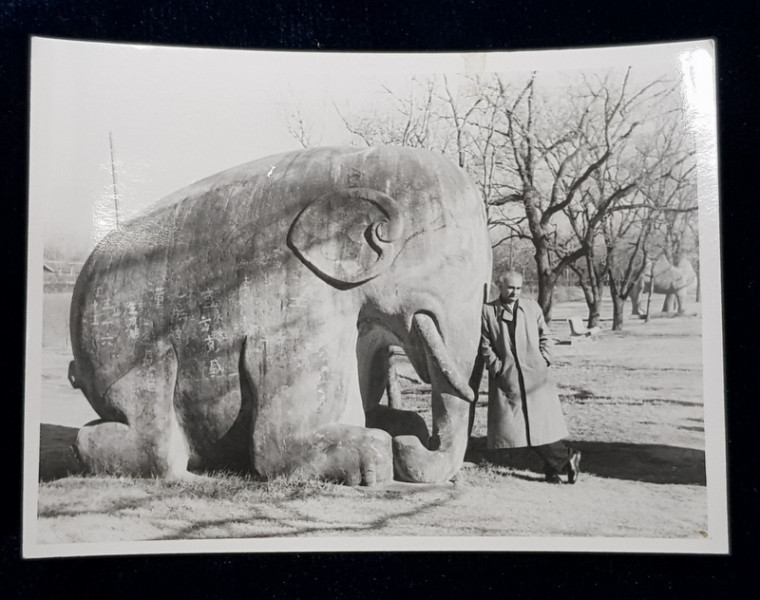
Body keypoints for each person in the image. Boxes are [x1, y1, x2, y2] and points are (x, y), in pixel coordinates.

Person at [479, 270, 581, 484]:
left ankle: (556, 466)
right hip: (509, 378)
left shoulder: (531, 307)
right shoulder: (488, 311)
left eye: (518, 288)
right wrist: (497, 367)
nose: (515, 292)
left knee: (540, 424)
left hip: (536, 376)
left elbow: (546, 335)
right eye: (510, 288)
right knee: (522, 426)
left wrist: (545, 359)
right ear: (500, 286)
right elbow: (485, 344)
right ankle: (566, 457)